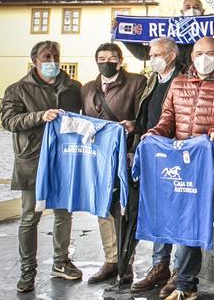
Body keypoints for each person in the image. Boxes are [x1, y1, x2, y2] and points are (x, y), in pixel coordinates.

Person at [144, 37, 214, 300]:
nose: (204, 57)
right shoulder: (178, 83)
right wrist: (154, 134)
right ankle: (185, 286)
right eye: (199, 52)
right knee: (187, 228)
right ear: (192, 56)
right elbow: (168, 119)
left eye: (210, 53)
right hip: (185, 170)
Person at [2, 40, 83, 293]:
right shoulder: (17, 89)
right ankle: (28, 270)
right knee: (30, 217)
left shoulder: (73, 88)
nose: (52, 62)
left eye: (55, 56)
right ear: (35, 61)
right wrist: (40, 116)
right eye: (46, 57)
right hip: (33, 160)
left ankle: (61, 262)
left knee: (63, 214)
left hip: (63, 159)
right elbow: (8, 120)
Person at [79, 43, 145, 285]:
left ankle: (126, 261)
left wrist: (133, 148)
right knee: (103, 208)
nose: (106, 61)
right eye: (101, 57)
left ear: (120, 60)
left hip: (124, 155)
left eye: (112, 57)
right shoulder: (87, 88)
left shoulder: (136, 83)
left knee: (123, 209)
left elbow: (143, 117)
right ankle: (111, 259)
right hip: (97, 157)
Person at [131, 37, 187, 294]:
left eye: (156, 54)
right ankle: (159, 266)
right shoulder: (153, 80)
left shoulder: (184, 79)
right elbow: (147, 114)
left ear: (171, 55)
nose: (152, 58)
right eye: (151, 54)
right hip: (154, 153)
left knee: (179, 213)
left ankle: (179, 271)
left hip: (178, 153)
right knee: (159, 212)